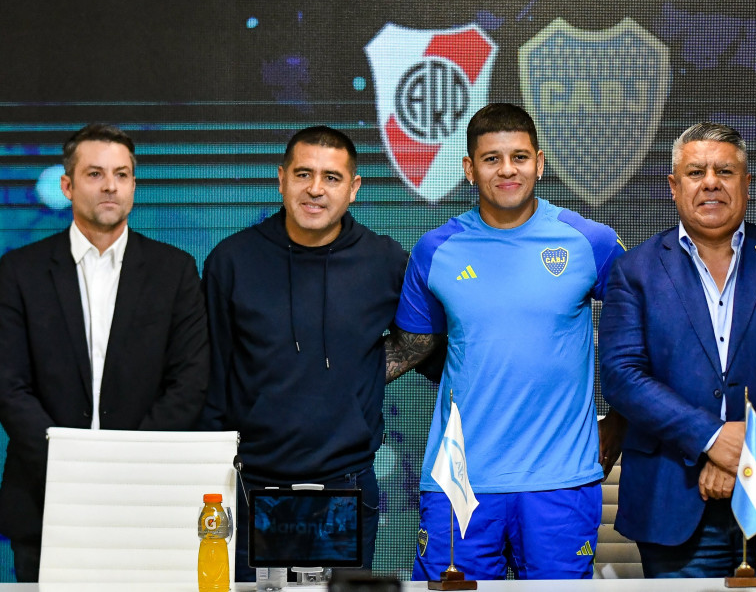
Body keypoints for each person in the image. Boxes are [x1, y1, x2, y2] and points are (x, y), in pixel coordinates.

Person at [387, 103, 626, 581]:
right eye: (492, 159)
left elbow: (645, 337)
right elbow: (409, 349)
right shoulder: (436, 250)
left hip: (560, 480)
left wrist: (618, 426)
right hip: (459, 484)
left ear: (539, 162)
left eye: (519, 157)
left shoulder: (589, 242)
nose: (507, 169)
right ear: (469, 170)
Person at [599, 121, 756, 579]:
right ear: (674, 186)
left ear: (746, 184)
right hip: (673, 500)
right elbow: (622, 376)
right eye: (696, 172)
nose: (710, 182)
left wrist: (746, 451)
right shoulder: (635, 271)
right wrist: (712, 440)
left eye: (725, 171)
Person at [0, 124, 208, 582]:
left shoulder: (175, 270)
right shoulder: (19, 272)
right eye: (95, 173)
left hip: (147, 498)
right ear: (68, 185)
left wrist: (125, 467)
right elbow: (9, 386)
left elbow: (190, 382)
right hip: (45, 496)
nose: (110, 185)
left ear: (134, 184)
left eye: (122, 174)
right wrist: (70, 466)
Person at [201, 126, 407, 581]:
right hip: (251, 483)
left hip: (344, 484)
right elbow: (211, 381)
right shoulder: (231, 261)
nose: (315, 189)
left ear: (353, 188)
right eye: (303, 174)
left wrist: (366, 373)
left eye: (332, 178)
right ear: (281, 179)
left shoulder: (386, 262)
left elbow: (424, 343)